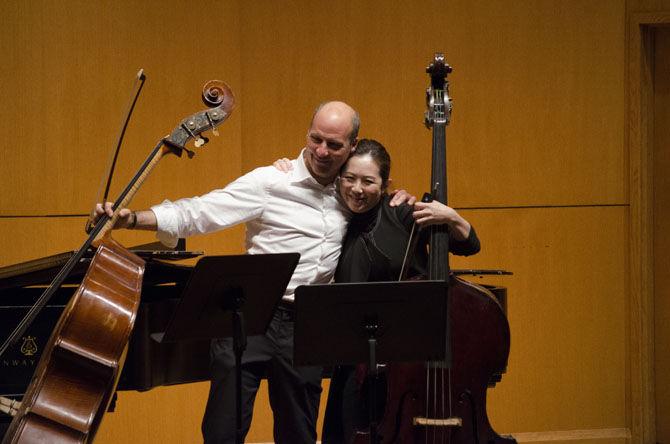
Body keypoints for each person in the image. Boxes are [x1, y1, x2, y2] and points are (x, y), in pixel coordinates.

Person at [95, 102, 412, 444]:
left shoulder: (349, 192)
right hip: (249, 316)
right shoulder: (271, 181)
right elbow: (201, 212)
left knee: (299, 435)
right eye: (315, 139)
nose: (321, 151)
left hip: (306, 326)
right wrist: (132, 219)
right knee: (223, 433)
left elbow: (380, 198)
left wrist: (403, 199)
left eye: (334, 145)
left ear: (352, 146)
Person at [274, 138, 480, 443]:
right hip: (351, 362)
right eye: (350, 178)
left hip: (406, 362)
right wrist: (286, 169)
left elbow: (469, 245)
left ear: (385, 184)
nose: (357, 189)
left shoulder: (402, 212)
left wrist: (453, 218)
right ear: (339, 179)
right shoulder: (330, 219)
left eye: (368, 181)